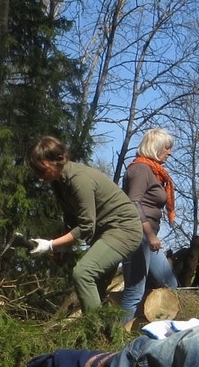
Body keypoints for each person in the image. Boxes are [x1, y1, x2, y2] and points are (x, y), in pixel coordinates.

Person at [28, 136, 145, 316]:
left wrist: (50, 245)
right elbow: (72, 221)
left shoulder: (79, 179)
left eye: (42, 169)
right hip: (105, 232)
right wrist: (64, 249)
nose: (40, 176)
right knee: (93, 291)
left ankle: (94, 332)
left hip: (123, 229)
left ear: (57, 160)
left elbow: (85, 227)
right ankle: (108, 336)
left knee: (83, 273)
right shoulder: (58, 182)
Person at [119, 128, 180, 324]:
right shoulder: (141, 169)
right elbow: (133, 203)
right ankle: (117, 339)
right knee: (134, 290)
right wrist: (150, 235)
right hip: (137, 235)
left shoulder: (153, 171)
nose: (169, 152)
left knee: (169, 284)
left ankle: (149, 329)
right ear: (156, 147)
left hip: (147, 237)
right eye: (167, 148)